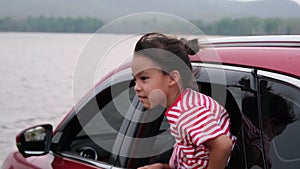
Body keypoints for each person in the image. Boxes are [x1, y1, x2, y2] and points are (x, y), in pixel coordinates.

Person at [131, 33, 236, 169]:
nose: (136, 87)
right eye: (135, 79)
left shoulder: (186, 112)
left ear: (172, 78)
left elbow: (223, 146)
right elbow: (196, 157)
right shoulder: (189, 102)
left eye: (144, 78)